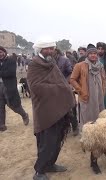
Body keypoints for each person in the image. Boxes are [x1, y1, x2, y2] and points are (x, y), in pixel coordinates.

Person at [27, 38, 75, 180]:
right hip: (45, 110)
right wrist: (60, 89)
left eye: (51, 48)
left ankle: (50, 164)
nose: (49, 51)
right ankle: (39, 171)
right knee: (47, 141)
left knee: (57, 138)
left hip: (59, 108)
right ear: (40, 49)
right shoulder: (35, 64)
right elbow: (35, 87)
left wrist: (65, 89)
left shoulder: (51, 62)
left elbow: (60, 79)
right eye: (46, 48)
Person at [70, 44, 106, 129]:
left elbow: (104, 79)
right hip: (87, 96)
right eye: (91, 53)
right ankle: (86, 137)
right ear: (87, 55)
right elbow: (72, 79)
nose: (93, 55)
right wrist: (80, 90)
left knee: (99, 116)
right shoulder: (80, 65)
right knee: (87, 118)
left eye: (95, 53)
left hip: (99, 96)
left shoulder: (100, 66)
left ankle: (97, 135)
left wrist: (103, 90)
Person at [0, 46, 29, 132]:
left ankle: (24, 115)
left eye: (1, 52)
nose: (0, 54)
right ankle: (2, 125)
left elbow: (10, 73)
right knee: (0, 106)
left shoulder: (11, 60)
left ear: (4, 52)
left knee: (13, 105)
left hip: (8, 86)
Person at [53, 48, 79, 136]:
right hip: (54, 89)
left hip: (65, 88)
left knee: (71, 108)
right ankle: (64, 128)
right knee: (59, 110)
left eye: (52, 50)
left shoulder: (65, 60)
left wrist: (65, 83)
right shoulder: (49, 61)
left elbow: (71, 73)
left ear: (56, 51)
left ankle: (75, 126)